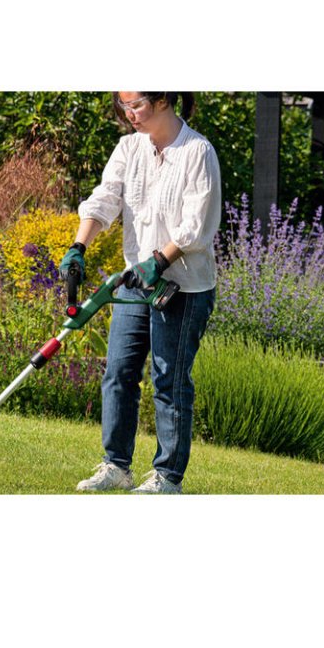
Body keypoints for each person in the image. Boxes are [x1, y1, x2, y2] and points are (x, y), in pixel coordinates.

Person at [60, 91, 221, 494]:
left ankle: (168, 478)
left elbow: (196, 225)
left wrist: (160, 261)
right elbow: (105, 199)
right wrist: (79, 246)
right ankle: (116, 466)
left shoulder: (197, 152)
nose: (128, 114)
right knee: (119, 372)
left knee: (169, 379)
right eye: (123, 106)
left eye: (136, 105)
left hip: (183, 286)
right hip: (135, 282)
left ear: (163, 98)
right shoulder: (129, 148)